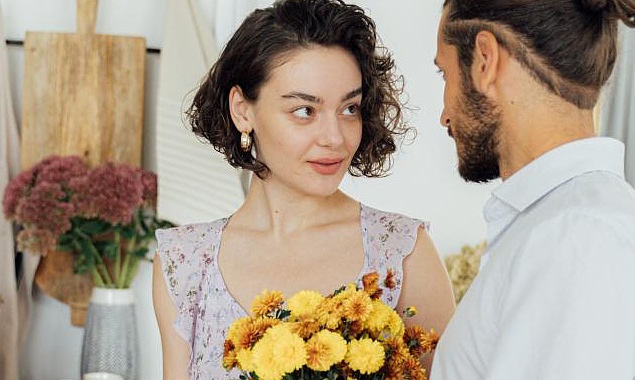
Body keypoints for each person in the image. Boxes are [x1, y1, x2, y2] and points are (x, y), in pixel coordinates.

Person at [152, 0, 456, 379]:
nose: (334, 138)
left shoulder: (402, 252)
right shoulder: (185, 263)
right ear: (242, 110)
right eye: (305, 111)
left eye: (349, 109)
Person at [430, 0, 635, 379]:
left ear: (485, 60)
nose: (444, 114)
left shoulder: (577, 235)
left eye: (444, 75)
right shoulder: (566, 222)